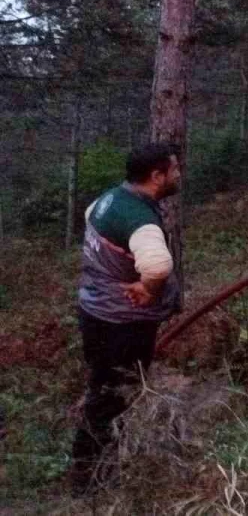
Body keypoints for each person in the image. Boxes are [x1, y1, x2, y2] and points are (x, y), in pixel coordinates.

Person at [68, 142, 183, 495]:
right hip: (123, 324)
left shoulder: (110, 199)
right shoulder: (139, 219)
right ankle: (92, 481)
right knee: (112, 397)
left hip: (97, 313)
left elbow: (90, 215)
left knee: (104, 391)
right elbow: (158, 265)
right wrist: (148, 288)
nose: (179, 175)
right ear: (156, 175)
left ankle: (95, 470)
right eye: (174, 169)